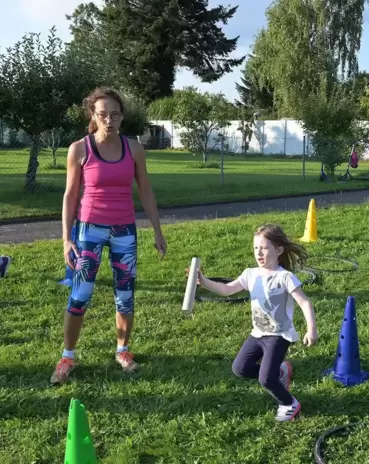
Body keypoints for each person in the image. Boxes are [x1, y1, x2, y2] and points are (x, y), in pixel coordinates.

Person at [52, 87, 167, 385]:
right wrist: (67, 238)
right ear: (93, 115)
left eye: (115, 114)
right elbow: (70, 196)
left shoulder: (134, 149)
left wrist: (157, 230)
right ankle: (67, 356)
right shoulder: (79, 149)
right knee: (79, 296)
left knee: (125, 297)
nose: (109, 120)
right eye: (103, 114)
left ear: (122, 116)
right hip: (89, 231)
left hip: (124, 232)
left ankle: (123, 350)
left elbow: (146, 191)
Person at [195, 224, 318, 422]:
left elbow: (304, 302)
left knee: (265, 379)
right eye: (255, 248)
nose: (259, 253)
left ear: (279, 250)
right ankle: (281, 372)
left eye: (265, 248)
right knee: (240, 369)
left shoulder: (284, 277)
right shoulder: (250, 274)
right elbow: (227, 290)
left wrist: (311, 329)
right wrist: (204, 281)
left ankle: (289, 403)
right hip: (258, 333)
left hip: (279, 335)